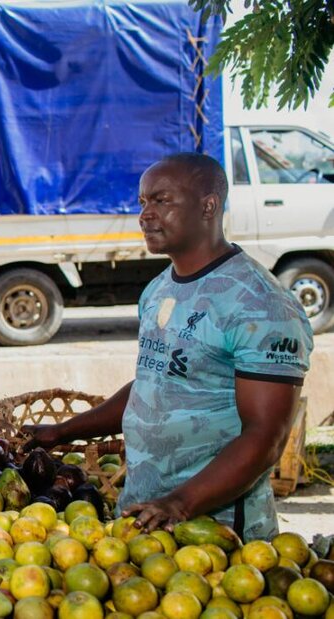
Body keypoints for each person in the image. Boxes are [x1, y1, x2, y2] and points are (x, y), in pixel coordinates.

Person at [23, 153, 313, 541]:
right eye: (143, 202)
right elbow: (154, 386)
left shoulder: (262, 306)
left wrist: (180, 503)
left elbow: (266, 437)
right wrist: (63, 431)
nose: (145, 215)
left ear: (208, 206)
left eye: (162, 200)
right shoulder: (158, 290)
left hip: (220, 536)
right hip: (144, 520)